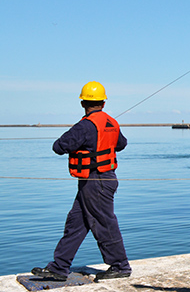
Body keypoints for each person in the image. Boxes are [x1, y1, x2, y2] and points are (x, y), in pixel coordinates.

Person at [32, 81, 131, 282]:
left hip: (96, 182)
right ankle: (59, 267)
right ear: (103, 103)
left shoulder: (85, 126)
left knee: (104, 222)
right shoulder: (111, 122)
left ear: (82, 104)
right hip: (99, 180)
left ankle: (120, 266)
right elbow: (121, 144)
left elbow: (59, 146)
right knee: (76, 223)